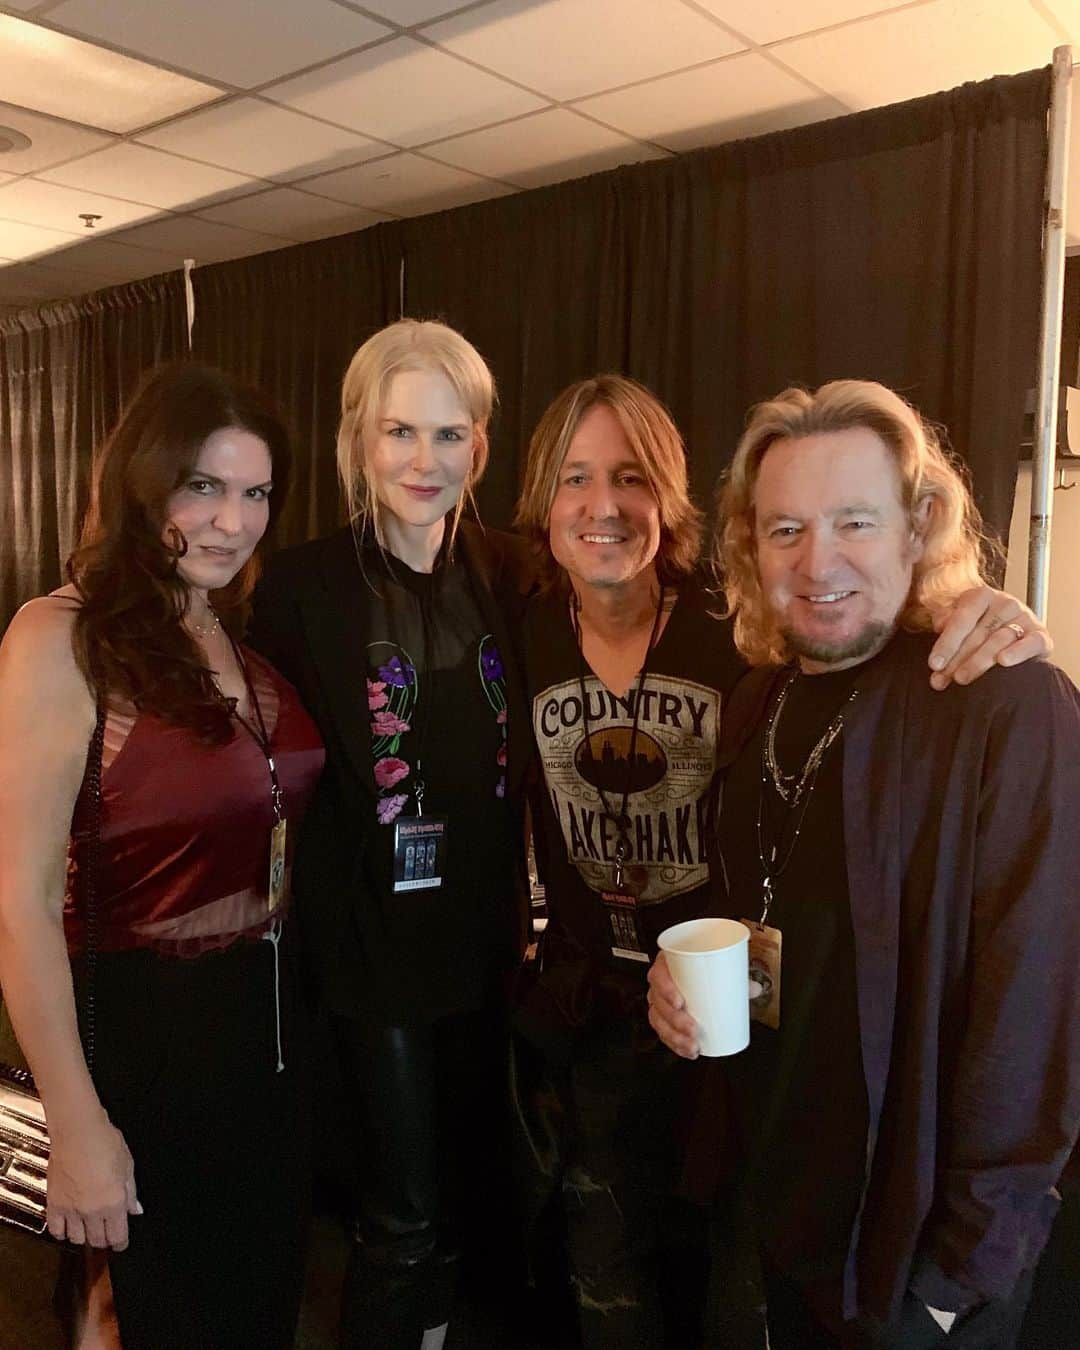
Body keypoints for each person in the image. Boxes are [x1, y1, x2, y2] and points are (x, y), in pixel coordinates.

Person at [511, 374, 1055, 1349]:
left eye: (854, 521)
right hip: (773, 1202)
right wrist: (680, 971)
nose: (819, 562)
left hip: (912, 1256)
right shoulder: (760, 702)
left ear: (918, 526)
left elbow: (1038, 1017)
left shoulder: (1001, 708)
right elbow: (755, 904)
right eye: (786, 530)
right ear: (749, 546)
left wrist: (965, 1273)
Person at [0, 363, 325, 1349]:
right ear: (146, 487)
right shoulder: (62, 638)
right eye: (205, 487)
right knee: (153, 1315)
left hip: (265, 1032)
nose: (233, 521)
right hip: (142, 1033)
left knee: (259, 1305)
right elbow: (14, 905)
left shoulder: (228, 629)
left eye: (256, 492)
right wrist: (77, 1125)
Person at [247, 319, 535, 1350]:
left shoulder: (511, 577)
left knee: (463, 1206)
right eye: (400, 431)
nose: (426, 461)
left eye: (450, 435)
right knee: (401, 1223)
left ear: (481, 448)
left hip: (484, 947)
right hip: (372, 957)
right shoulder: (300, 587)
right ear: (359, 441)